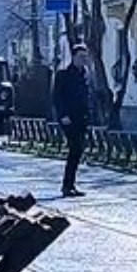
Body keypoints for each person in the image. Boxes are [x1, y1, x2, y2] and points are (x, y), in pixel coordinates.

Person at [52, 43, 92, 198]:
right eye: (81, 56)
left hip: (82, 118)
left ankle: (71, 184)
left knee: (78, 151)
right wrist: (63, 115)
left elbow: (87, 96)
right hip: (69, 118)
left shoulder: (85, 74)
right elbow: (57, 97)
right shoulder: (63, 74)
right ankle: (67, 185)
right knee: (75, 149)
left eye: (85, 57)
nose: (84, 60)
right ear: (74, 57)